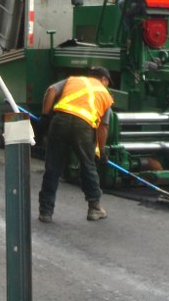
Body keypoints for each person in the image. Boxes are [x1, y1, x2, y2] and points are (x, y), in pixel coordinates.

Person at [38, 66, 115, 223]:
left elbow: (51, 90)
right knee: (88, 165)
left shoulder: (73, 80)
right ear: (104, 79)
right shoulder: (105, 94)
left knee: (53, 167)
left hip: (59, 120)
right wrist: (101, 151)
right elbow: (103, 127)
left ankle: (45, 212)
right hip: (83, 126)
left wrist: (45, 116)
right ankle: (94, 209)